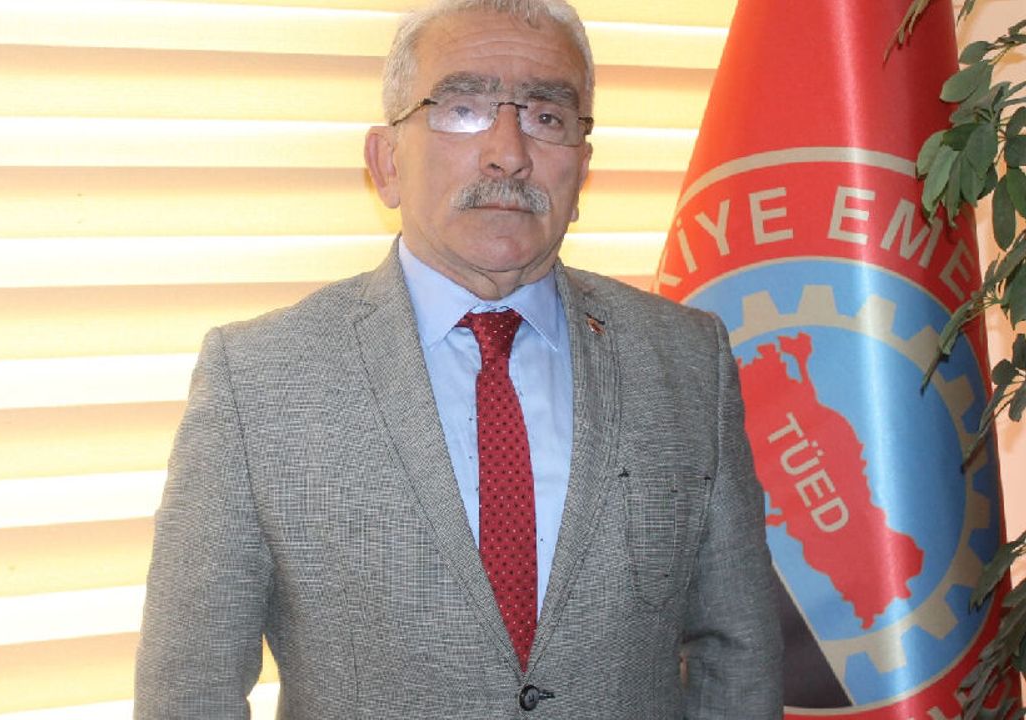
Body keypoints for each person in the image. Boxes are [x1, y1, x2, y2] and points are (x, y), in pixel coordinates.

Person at [134, 0, 783, 716]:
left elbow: (738, 653)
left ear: (582, 171)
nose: (509, 151)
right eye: (463, 109)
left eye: (546, 116)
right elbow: (190, 690)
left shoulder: (686, 358)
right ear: (386, 163)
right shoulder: (256, 378)